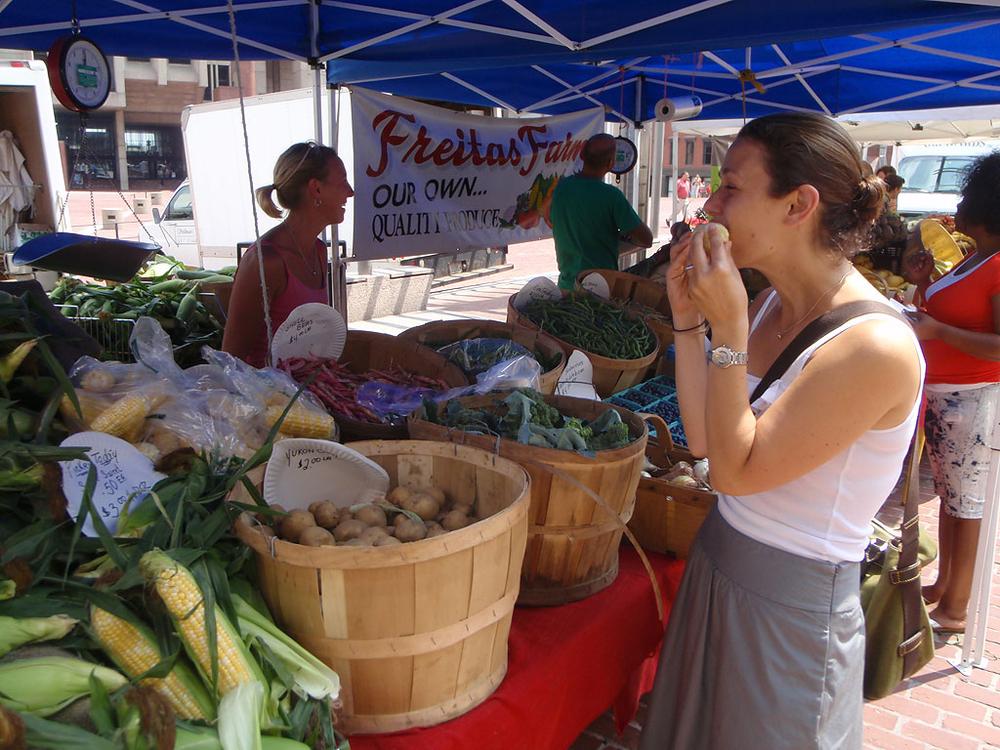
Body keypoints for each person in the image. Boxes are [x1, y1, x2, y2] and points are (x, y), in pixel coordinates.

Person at [639, 112, 923, 750]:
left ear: (798, 204)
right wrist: (690, 322)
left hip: (789, 611)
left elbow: (736, 472)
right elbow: (709, 444)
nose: (711, 205)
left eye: (731, 187)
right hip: (720, 567)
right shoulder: (771, 303)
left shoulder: (875, 345)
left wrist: (730, 333)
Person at [903, 152, 1000, 634]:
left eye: (966, 196)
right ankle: (943, 586)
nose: (957, 204)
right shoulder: (974, 259)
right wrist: (924, 284)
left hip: (974, 398)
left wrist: (938, 332)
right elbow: (947, 317)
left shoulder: (998, 264)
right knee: (950, 496)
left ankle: (957, 606)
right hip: (948, 397)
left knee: (968, 503)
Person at [222, 142, 354, 368]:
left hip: (305, 388)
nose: (350, 191)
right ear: (316, 188)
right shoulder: (266, 262)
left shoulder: (320, 251)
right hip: (267, 396)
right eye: (342, 181)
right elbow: (230, 359)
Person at [549, 133, 653, 289]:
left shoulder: (559, 188)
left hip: (566, 287)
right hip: (600, 291)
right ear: (611, 164)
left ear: (582, 155)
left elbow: (557, 222)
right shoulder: (612, 196)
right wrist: (616, 241)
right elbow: (646, 239)